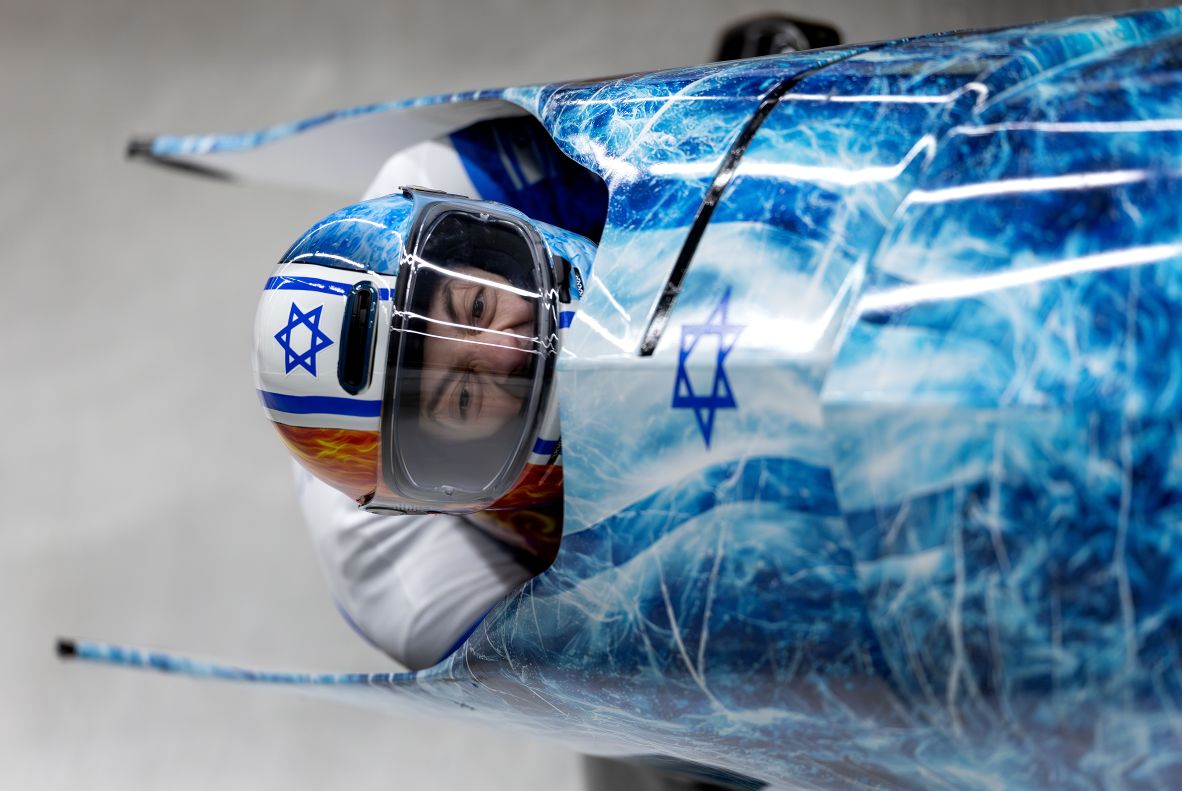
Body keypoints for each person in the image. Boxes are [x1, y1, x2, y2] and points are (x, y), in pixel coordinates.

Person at [253, 187, 594, 669]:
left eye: (477, 308)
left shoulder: (453, 172)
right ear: (455, 470)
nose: (511, 352)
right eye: (463, 400)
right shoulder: (416, 597)